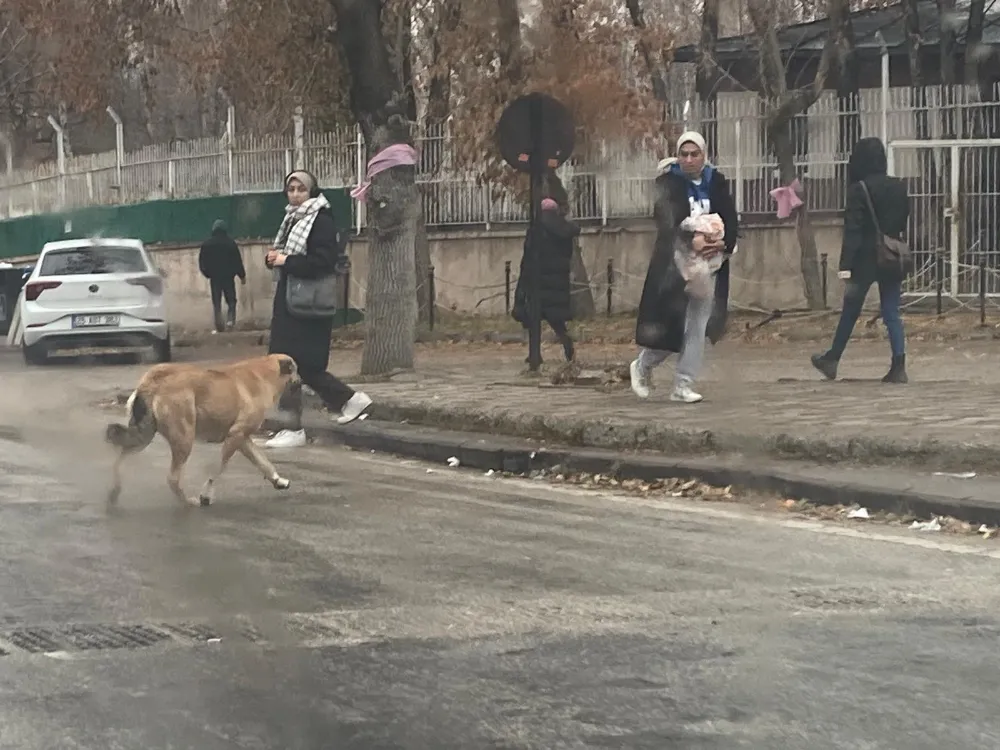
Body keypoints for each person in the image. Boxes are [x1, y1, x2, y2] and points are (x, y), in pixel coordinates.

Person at [264, 170, 371, 449]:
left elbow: (322, 262)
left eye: (301, 189)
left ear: (312, 191)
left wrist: (286, 260)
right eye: (291, 189)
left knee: (286, 365)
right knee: (299, 366)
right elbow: (290, 258)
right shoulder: (293, 219)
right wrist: (275, 259)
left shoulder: (320, 220)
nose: (295, 195)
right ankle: (348, 400)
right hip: (293, 300)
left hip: (307, 305)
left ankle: (293, 428)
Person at [629, 131, 739, 404]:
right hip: (675, 266)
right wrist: (692, 240)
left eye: (694, 154)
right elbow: (665, 220)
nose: (689, 159)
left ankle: (683, 385)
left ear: (704, 155)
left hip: (708, 267)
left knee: (697, 327)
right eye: (684, 154)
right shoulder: (668, 183)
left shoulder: (716, 182)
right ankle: (643, 365)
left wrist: (724, 243)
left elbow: (730, 217)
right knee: (672, 326)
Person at [811, 137, 910, 383]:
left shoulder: (859, 189)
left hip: (864, 260)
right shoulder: (899, 186)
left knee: (850, 311)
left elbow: (853, 230)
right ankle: (899, 365)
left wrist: (845, 265)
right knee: (891, 312)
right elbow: (902, 220)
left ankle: (832, 359)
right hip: (891, 255)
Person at [512, 196, 579, 363]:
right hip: (557, 281)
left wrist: (524, 279)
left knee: (533, 315)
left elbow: (528, 256)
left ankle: (535, 354)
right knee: (555, 318)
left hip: (537, 279)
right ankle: (566, 343)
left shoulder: (536, 230)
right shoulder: (564, 230)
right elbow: (567, 256)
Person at [198, 219, 246, 332]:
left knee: (216, 302)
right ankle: (230, 321)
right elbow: (237, 261)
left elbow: (202, 262)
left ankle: (219, 324)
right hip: (228, 277)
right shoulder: (230, 243)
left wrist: (208, 274)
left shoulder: (207, 244)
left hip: (215, 278)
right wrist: (242, 276)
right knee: (231, 300)